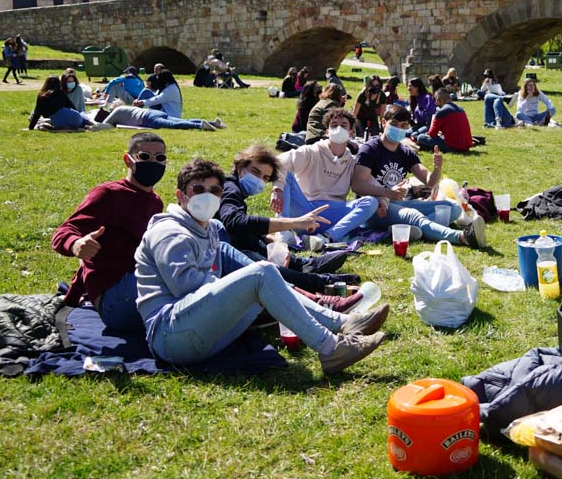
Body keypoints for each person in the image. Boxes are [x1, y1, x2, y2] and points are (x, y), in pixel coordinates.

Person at [134, 158, 388, 373]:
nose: (207, 196)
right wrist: (238, 286)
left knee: (266, 280)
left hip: (198, 331)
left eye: (214, 191)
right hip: (170, 336)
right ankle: (331, 348)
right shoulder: (170, 232)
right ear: (181, 196)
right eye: (198, 189)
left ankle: (341, 323)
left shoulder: (209, 228)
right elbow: (185, 288)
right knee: (262, 274)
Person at [51, 132, 167, 331]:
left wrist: (71, 298)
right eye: (145, 157)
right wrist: (76, 244)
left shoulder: (155, 202)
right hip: (115, 295)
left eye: (160, 158)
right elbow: (66, 230)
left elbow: (95, 258)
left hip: (136, 282)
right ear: (128, 160)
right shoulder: (108, 194)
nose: (153, 163)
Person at [217, 144, 357, 300]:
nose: (259, 180)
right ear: (240, 166)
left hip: (223, 249)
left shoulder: (233, 188)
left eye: (265, 178)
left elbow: (235, 226)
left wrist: (266, 238)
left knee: (254, 242)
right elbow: (235, 222)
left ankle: (302, 265)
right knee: (259, 263)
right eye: (255, 172)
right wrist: (294, 223)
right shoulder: (230, 188)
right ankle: (317, 281)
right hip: (219, 259)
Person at [352, 105, 487, 249]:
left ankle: (410, 230)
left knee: (452, 207)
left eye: (403, 125)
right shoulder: (370, 149)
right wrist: (387, 192)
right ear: (383, 123)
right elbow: (357, 185)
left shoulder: (405, 152)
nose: (398, 128)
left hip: (396, 203)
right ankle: (463, 237)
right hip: (373, 210)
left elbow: (429, 181)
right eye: (394, 124)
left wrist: (437, 169)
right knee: (413, 215)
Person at [275, 108, 380, 248]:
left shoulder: (353, 161)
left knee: (370, 202)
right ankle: (283, 230)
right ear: (327, 131)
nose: (338, 129)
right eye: (334, 125)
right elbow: (279, 162)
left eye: (343, 126)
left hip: (334, 215)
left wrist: (385, 199)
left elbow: (373, 185)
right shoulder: (311, 151)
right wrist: (277, 189)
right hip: (305, 211)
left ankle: (325, 238)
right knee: (286, 174)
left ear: (351, 133)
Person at [29, 76, 97, 130]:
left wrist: (31, 127)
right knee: (82, 118)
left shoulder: (41, 95)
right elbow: (71, 106)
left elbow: (36, 113)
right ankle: (90, 124)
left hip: (57, 122)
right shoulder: (60, 93)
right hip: (74, 118)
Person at [100, 104, 225, 131]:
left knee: (173, 125)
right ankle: (213, 123)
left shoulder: (116, 111)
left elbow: (105, 124)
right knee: (182, 120)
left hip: (146, 118)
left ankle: (200, 125)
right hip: (153, 112)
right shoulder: (125, 107)